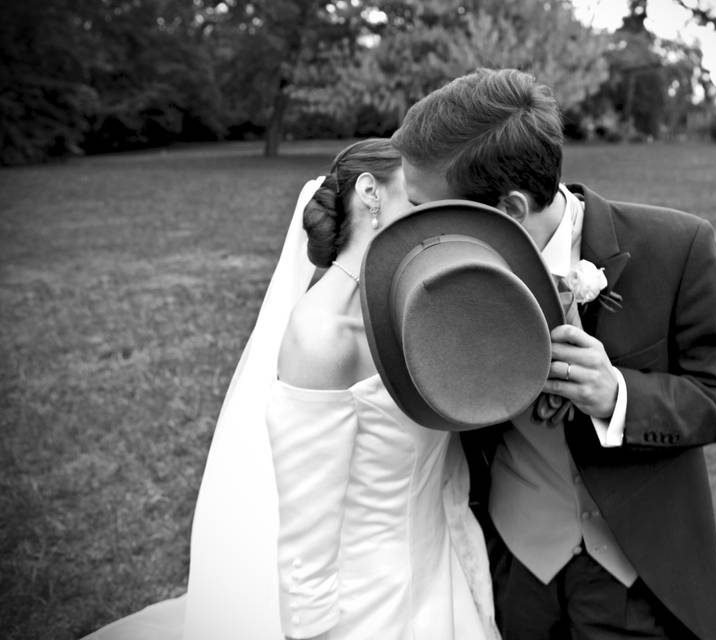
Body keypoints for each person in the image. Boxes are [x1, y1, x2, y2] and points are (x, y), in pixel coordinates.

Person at [390, 69, 716, 640]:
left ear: (509, 210)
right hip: (512, 567)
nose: (412, 227)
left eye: (429, 209)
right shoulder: (432, 278)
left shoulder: (677, 247)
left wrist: (619, 396)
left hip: (634, 574)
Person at [82, 139, 499, 640]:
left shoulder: (417, 306)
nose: (434, 213)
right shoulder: (322, 336)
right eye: (415, 197)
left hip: (442, 565)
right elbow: (308, 536)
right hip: (370, 609)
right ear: (370, 193)